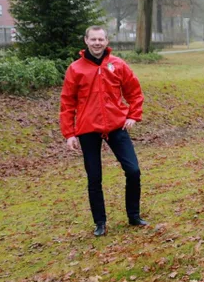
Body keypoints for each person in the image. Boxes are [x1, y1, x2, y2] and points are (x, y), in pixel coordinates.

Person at [59, 26, 147, 237]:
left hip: (117, 126)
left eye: (101, 39)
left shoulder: (118, 65)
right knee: (94, 177)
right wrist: (69, 134)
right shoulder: (76, 69)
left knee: (133, 170)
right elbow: (67, 103)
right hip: (88, 129)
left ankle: (133, 216)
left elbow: (134, 91)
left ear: (107, 41)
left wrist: (133, 115)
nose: (97, 43)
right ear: (86, 41)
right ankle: (100, 222)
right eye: (93, 39)